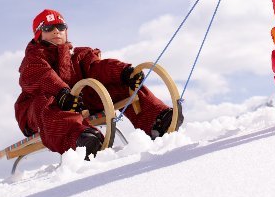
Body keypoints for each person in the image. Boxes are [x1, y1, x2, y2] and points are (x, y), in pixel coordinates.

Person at [14, 9, 183, 159]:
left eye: (60, 26)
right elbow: (42, 76)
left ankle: (156, 120)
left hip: (79, 101)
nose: (56, 31)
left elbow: (96, 68)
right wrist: (61, 92)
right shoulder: (33, 59)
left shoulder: (78, 56)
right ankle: (81, 139)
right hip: (38, 111)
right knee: (46, 102)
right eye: (48, 28)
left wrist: (123, 72)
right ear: (39, 34)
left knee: (121, 85)